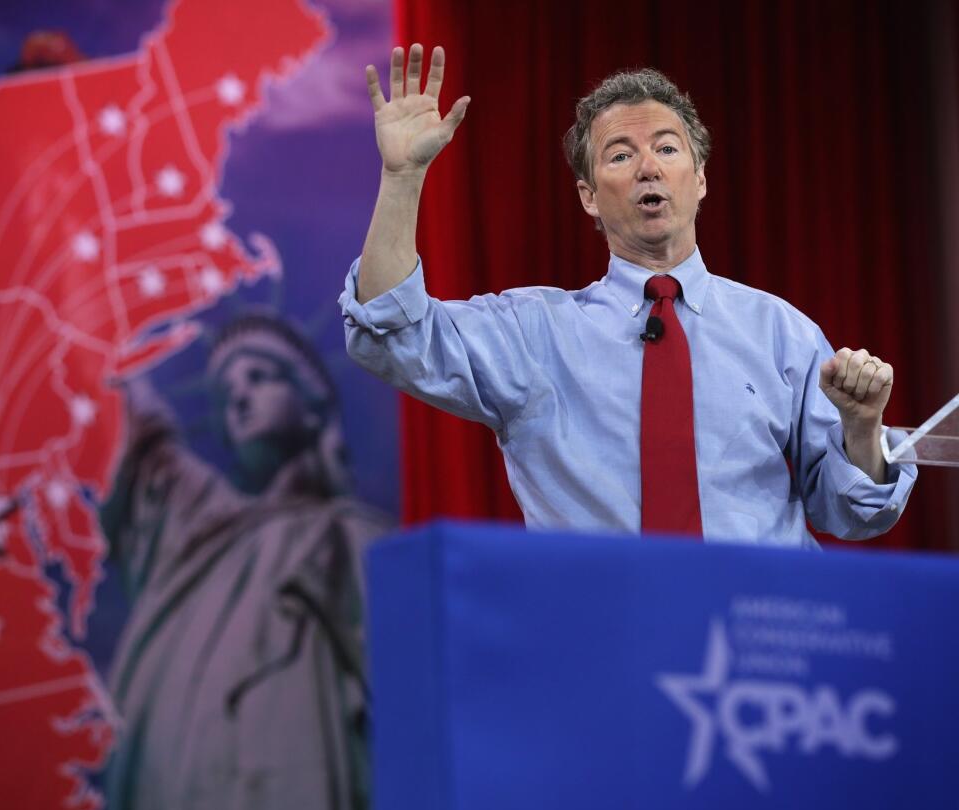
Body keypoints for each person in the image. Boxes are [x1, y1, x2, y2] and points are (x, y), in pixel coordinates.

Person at [340, 44, 916, 545]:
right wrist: (402, 179)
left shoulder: (782, 332)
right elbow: (392, 333)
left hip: (751, 645)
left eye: (667, 149)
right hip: (600, 642)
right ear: (589, 197)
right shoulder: (534, 333)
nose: (648, 167)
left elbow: (852, 513)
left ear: (702, 178)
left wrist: (861, 428)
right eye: (620, 155)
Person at [98, 313, 390, 810]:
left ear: (312, 405)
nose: (239, 397)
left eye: (260, 376)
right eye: (228, 390)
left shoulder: (355, 539)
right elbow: (144, 447)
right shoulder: (200, 533)